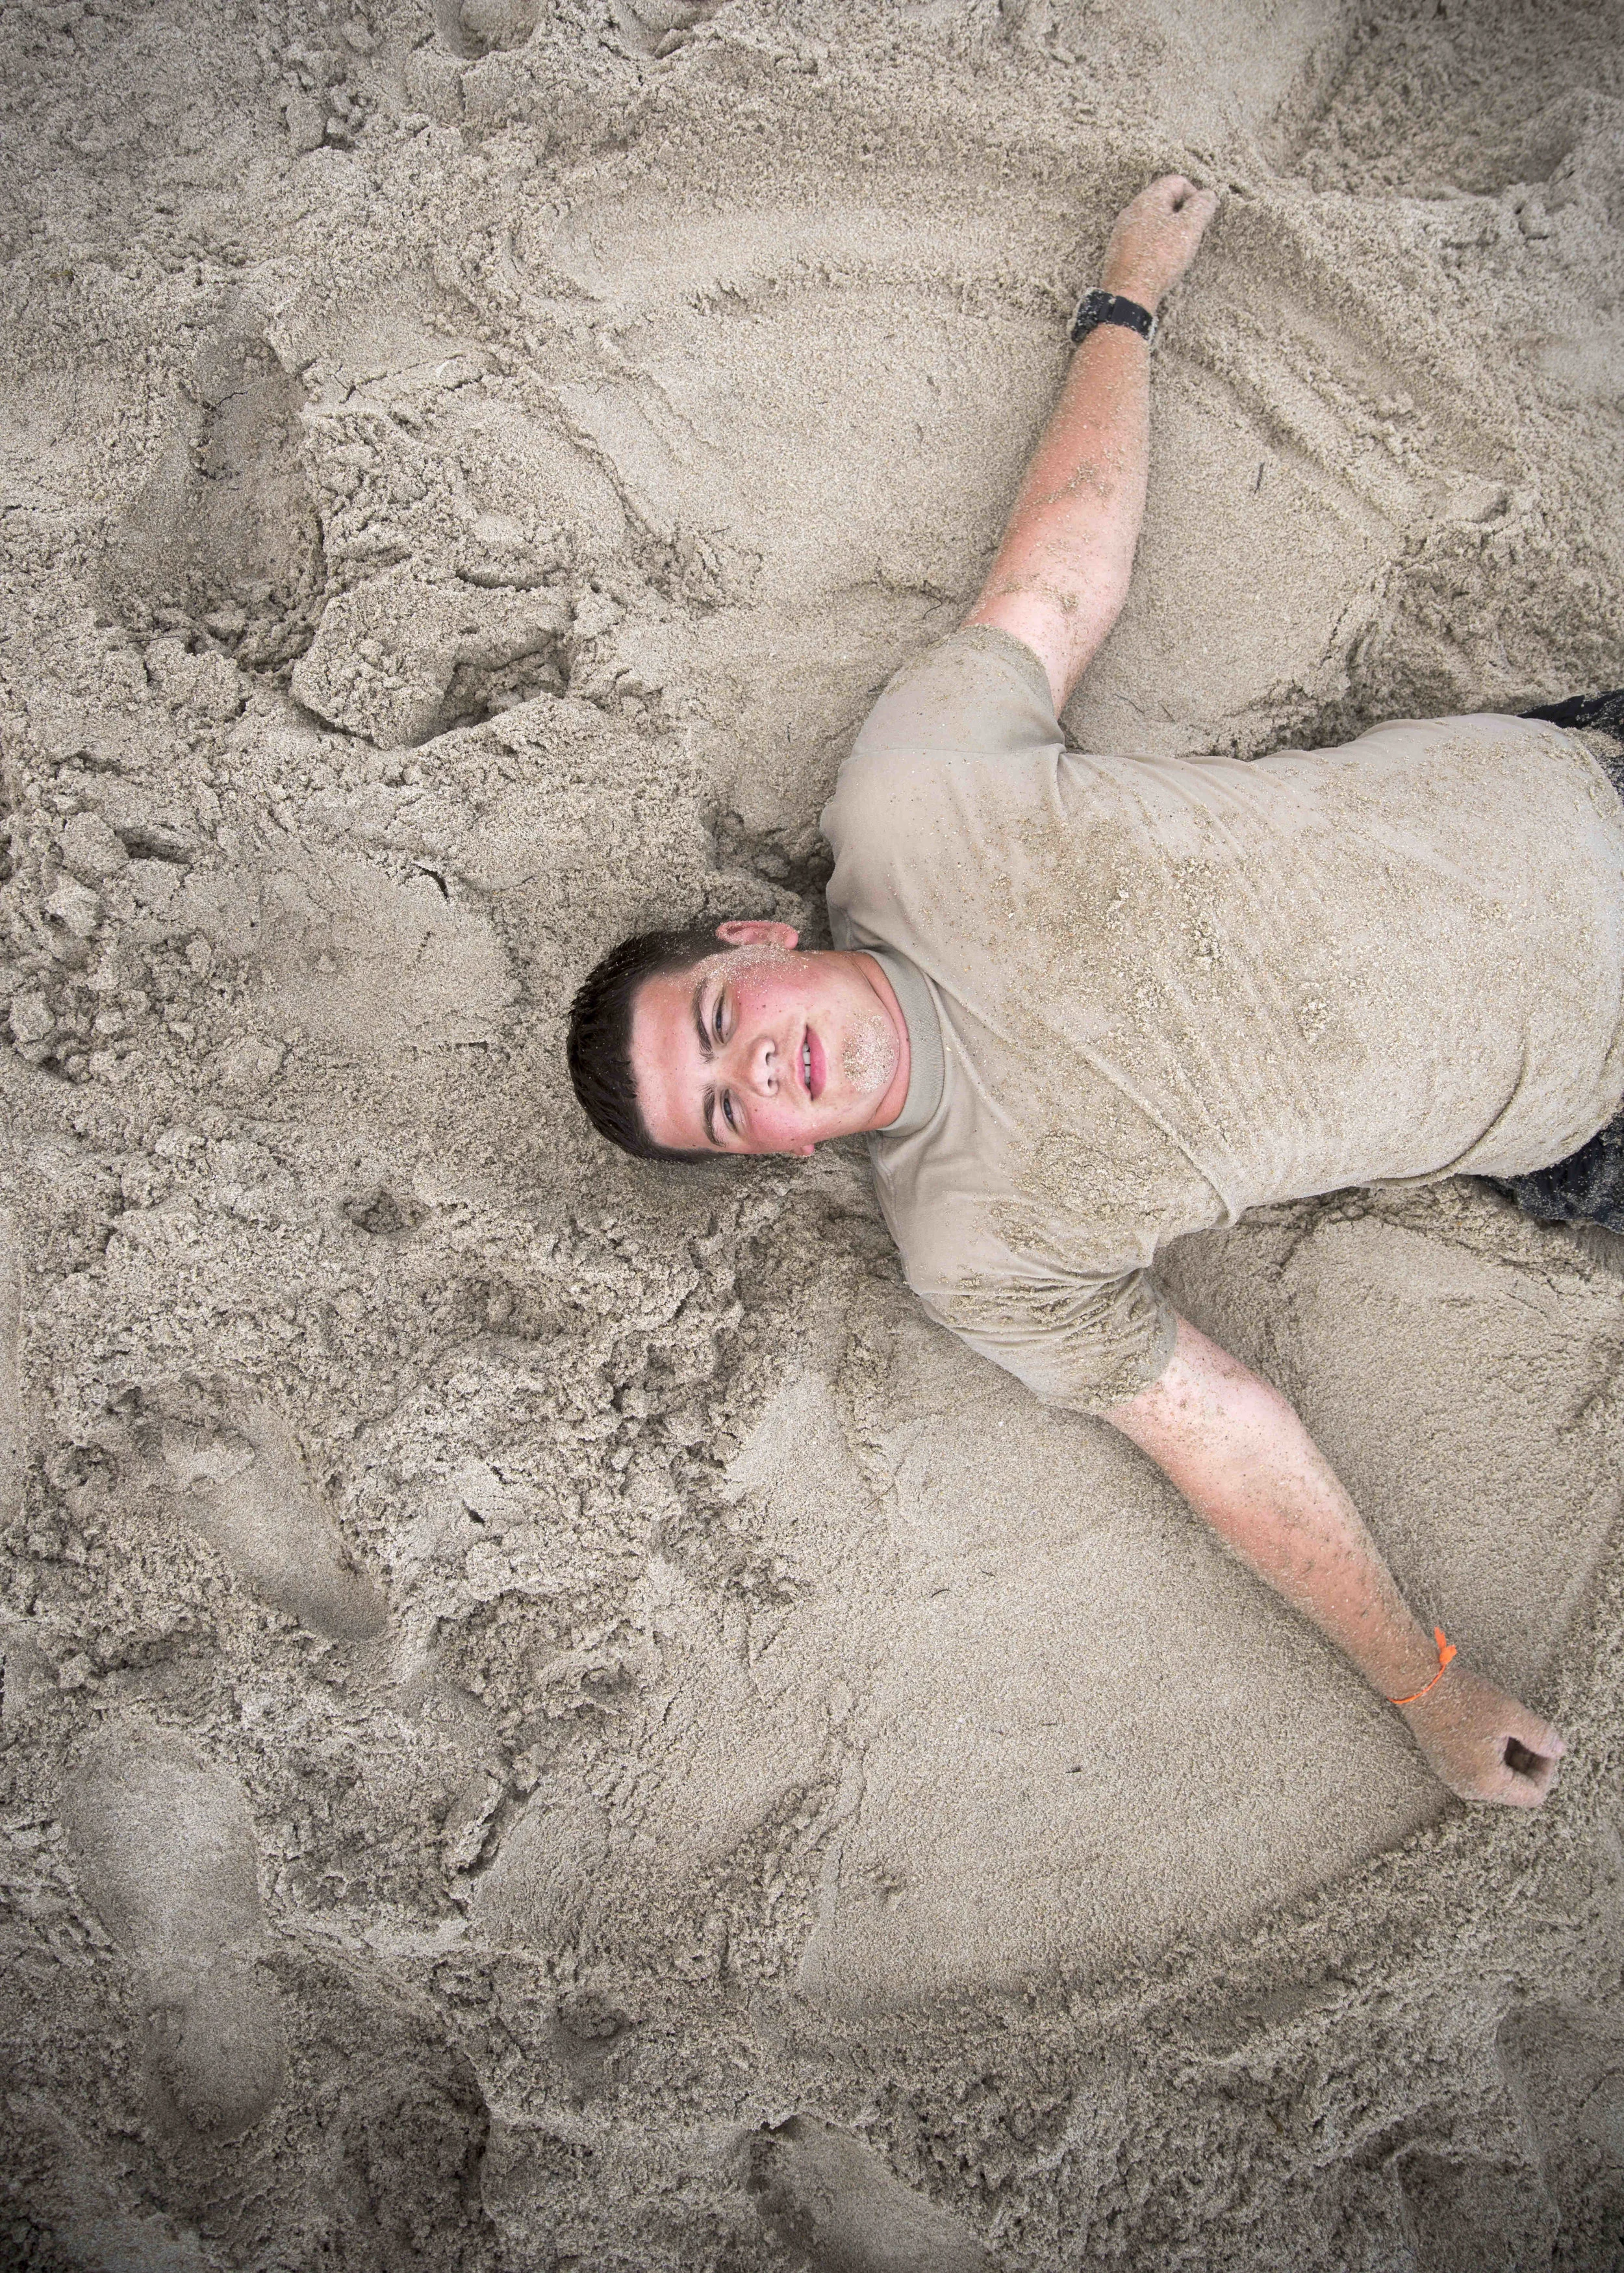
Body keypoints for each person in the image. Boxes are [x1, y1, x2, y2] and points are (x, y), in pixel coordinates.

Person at [568, 175, 1624, 1810]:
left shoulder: (909, 801)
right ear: (767, 1158)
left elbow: (1061, 573)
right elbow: (1221, 1431)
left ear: (748, 946)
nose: (757, 1075)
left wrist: (1124, 299)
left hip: (1586, 782)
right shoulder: (973, 1249)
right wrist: (1420, 1680)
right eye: (724, 1116)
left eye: (716, 1028)